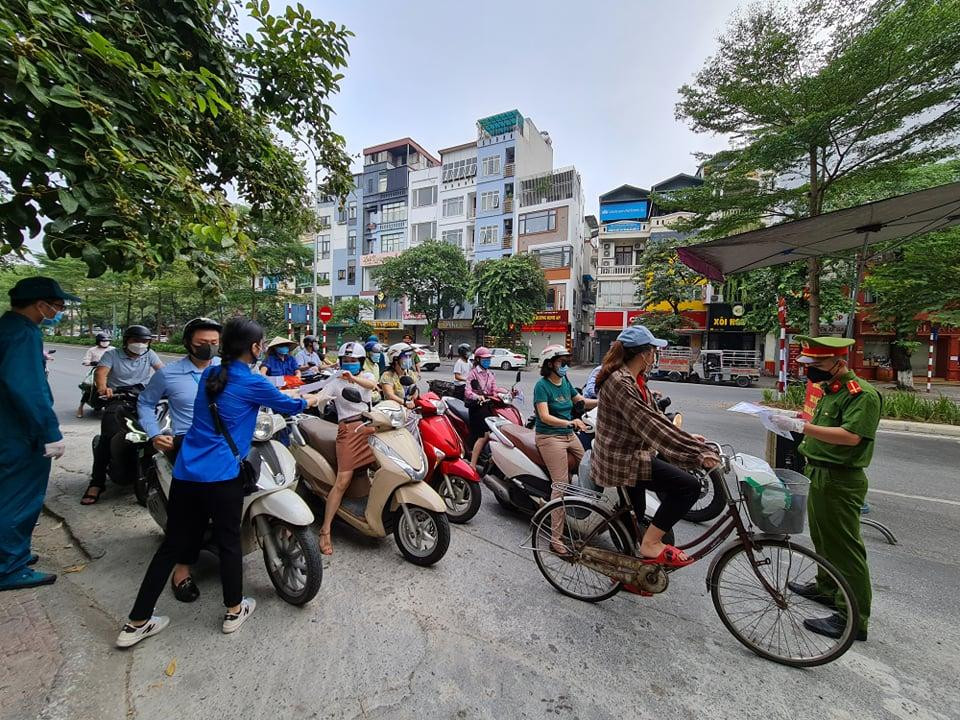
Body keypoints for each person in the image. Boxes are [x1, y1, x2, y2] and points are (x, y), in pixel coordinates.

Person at [116, 317, 321, 648]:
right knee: (229, 543)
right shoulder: (251, 382)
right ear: (255, 348)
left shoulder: (211, 374)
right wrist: (314, 398)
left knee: (172, 546)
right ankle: (233, 610)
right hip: (222, 476)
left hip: (186, 472)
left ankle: (136, 622)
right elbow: (293, 404)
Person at [770, 336, 881, 642]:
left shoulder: (861, 395)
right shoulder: (831, 391)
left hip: (840, 478)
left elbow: (850, 437)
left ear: (838, 363)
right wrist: (797, 420)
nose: (811, 370)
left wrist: (802, 428)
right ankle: (827, 589)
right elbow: (823, 426)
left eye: (817, 365)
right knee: (823, 538)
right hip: (817, 472)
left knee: (845, 548)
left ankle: (852, 618)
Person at [590, 326, 721, 566]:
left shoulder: (636, 379)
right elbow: (650, 425)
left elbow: (656, 416)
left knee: (634, 519)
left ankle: (630, 570)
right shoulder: (620, 381)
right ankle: (650, 544)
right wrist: (696, 453)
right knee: (689, 486)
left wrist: (688, 437)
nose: (655, 355)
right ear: (643, 354)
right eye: (653, 350)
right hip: (623, 460)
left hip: (632, 454)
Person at [136, 317, 222, 603]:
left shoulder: (228, 369)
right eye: (202, 343)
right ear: (188, 343)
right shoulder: (169, 374)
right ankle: (182, 569)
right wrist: (153, 433)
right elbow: (146, 403)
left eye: (214, 343)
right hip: (187, 445)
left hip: (226, 444)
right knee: (191, 512)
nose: (209, 348)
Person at [0, 277, 78, 592]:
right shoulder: (22, 333)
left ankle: (12, 554)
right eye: (57, 306)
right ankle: (8, 567)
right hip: (19, 434)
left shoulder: (9, 328)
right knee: (17, 499)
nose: (59, 311)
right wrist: (49, 430)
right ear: (40, 304)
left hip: (12, 429)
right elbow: (27, 388)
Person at [84, 325, 163, 505]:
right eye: (136, 340)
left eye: (144, 341)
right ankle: (96, 483)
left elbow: (163, 372)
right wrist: (103, 387)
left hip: (144, 399)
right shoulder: (112, 355)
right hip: (118, 398)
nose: (141, 344)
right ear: (126, 341)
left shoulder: (149, 355)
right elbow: (101, 372)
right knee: (108, 437)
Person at [314, 342, 380, 555]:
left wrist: (352, 379)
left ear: (361, 362)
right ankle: (325, 530)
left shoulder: (366, 377)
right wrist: (303, 398)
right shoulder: (336, 381)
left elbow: (371, 386)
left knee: (386, 467)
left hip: (369, 427)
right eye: (346, 361)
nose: (349, 364)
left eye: (353, 361)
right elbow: (321, 396)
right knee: (342, 480)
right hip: (348, 432)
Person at [534, 345, 598, 544]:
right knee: (561, 485)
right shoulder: (541, 386)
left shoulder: (564, 381)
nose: (565, 366)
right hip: (550, 437)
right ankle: (556, 539)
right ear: (551, 363)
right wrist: (570, 422)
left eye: (566, 362)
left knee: (594, 467)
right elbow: (544, 416)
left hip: (570, 435)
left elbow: (581, 401)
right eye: (562, 362)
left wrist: (604, 401)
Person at [464, 346, 510, 472]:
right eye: (485, 359)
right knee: (483, 435)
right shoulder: (473, 374)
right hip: (476, 407)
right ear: (478, 359)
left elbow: (493, 391)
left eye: (489, 359)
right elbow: (468, 392)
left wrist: (505, 394)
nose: (487, 361)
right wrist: (477, 396)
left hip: (487, 406)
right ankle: (472, 464)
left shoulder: (490, 374)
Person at [77, 332, 113, 417]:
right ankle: (80, 407)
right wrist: (91, 362)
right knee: (89, 387)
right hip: (96, 372)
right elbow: (85, 361)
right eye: (103, 341)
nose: (105, 342)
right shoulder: (92, 350)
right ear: (98, 341)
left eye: (107, 341)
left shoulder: (113, 349)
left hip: (111, 372)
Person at [380, 342, 421, 409]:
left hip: (409, 408)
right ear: (395, 359)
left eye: (410, 357)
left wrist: (412, 400)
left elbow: (414, 390)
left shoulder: (410, 373)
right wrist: (404, 402)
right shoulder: (387, 375)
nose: (409, 359)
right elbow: (389, 395)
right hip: (393, 410)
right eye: (406, 357)